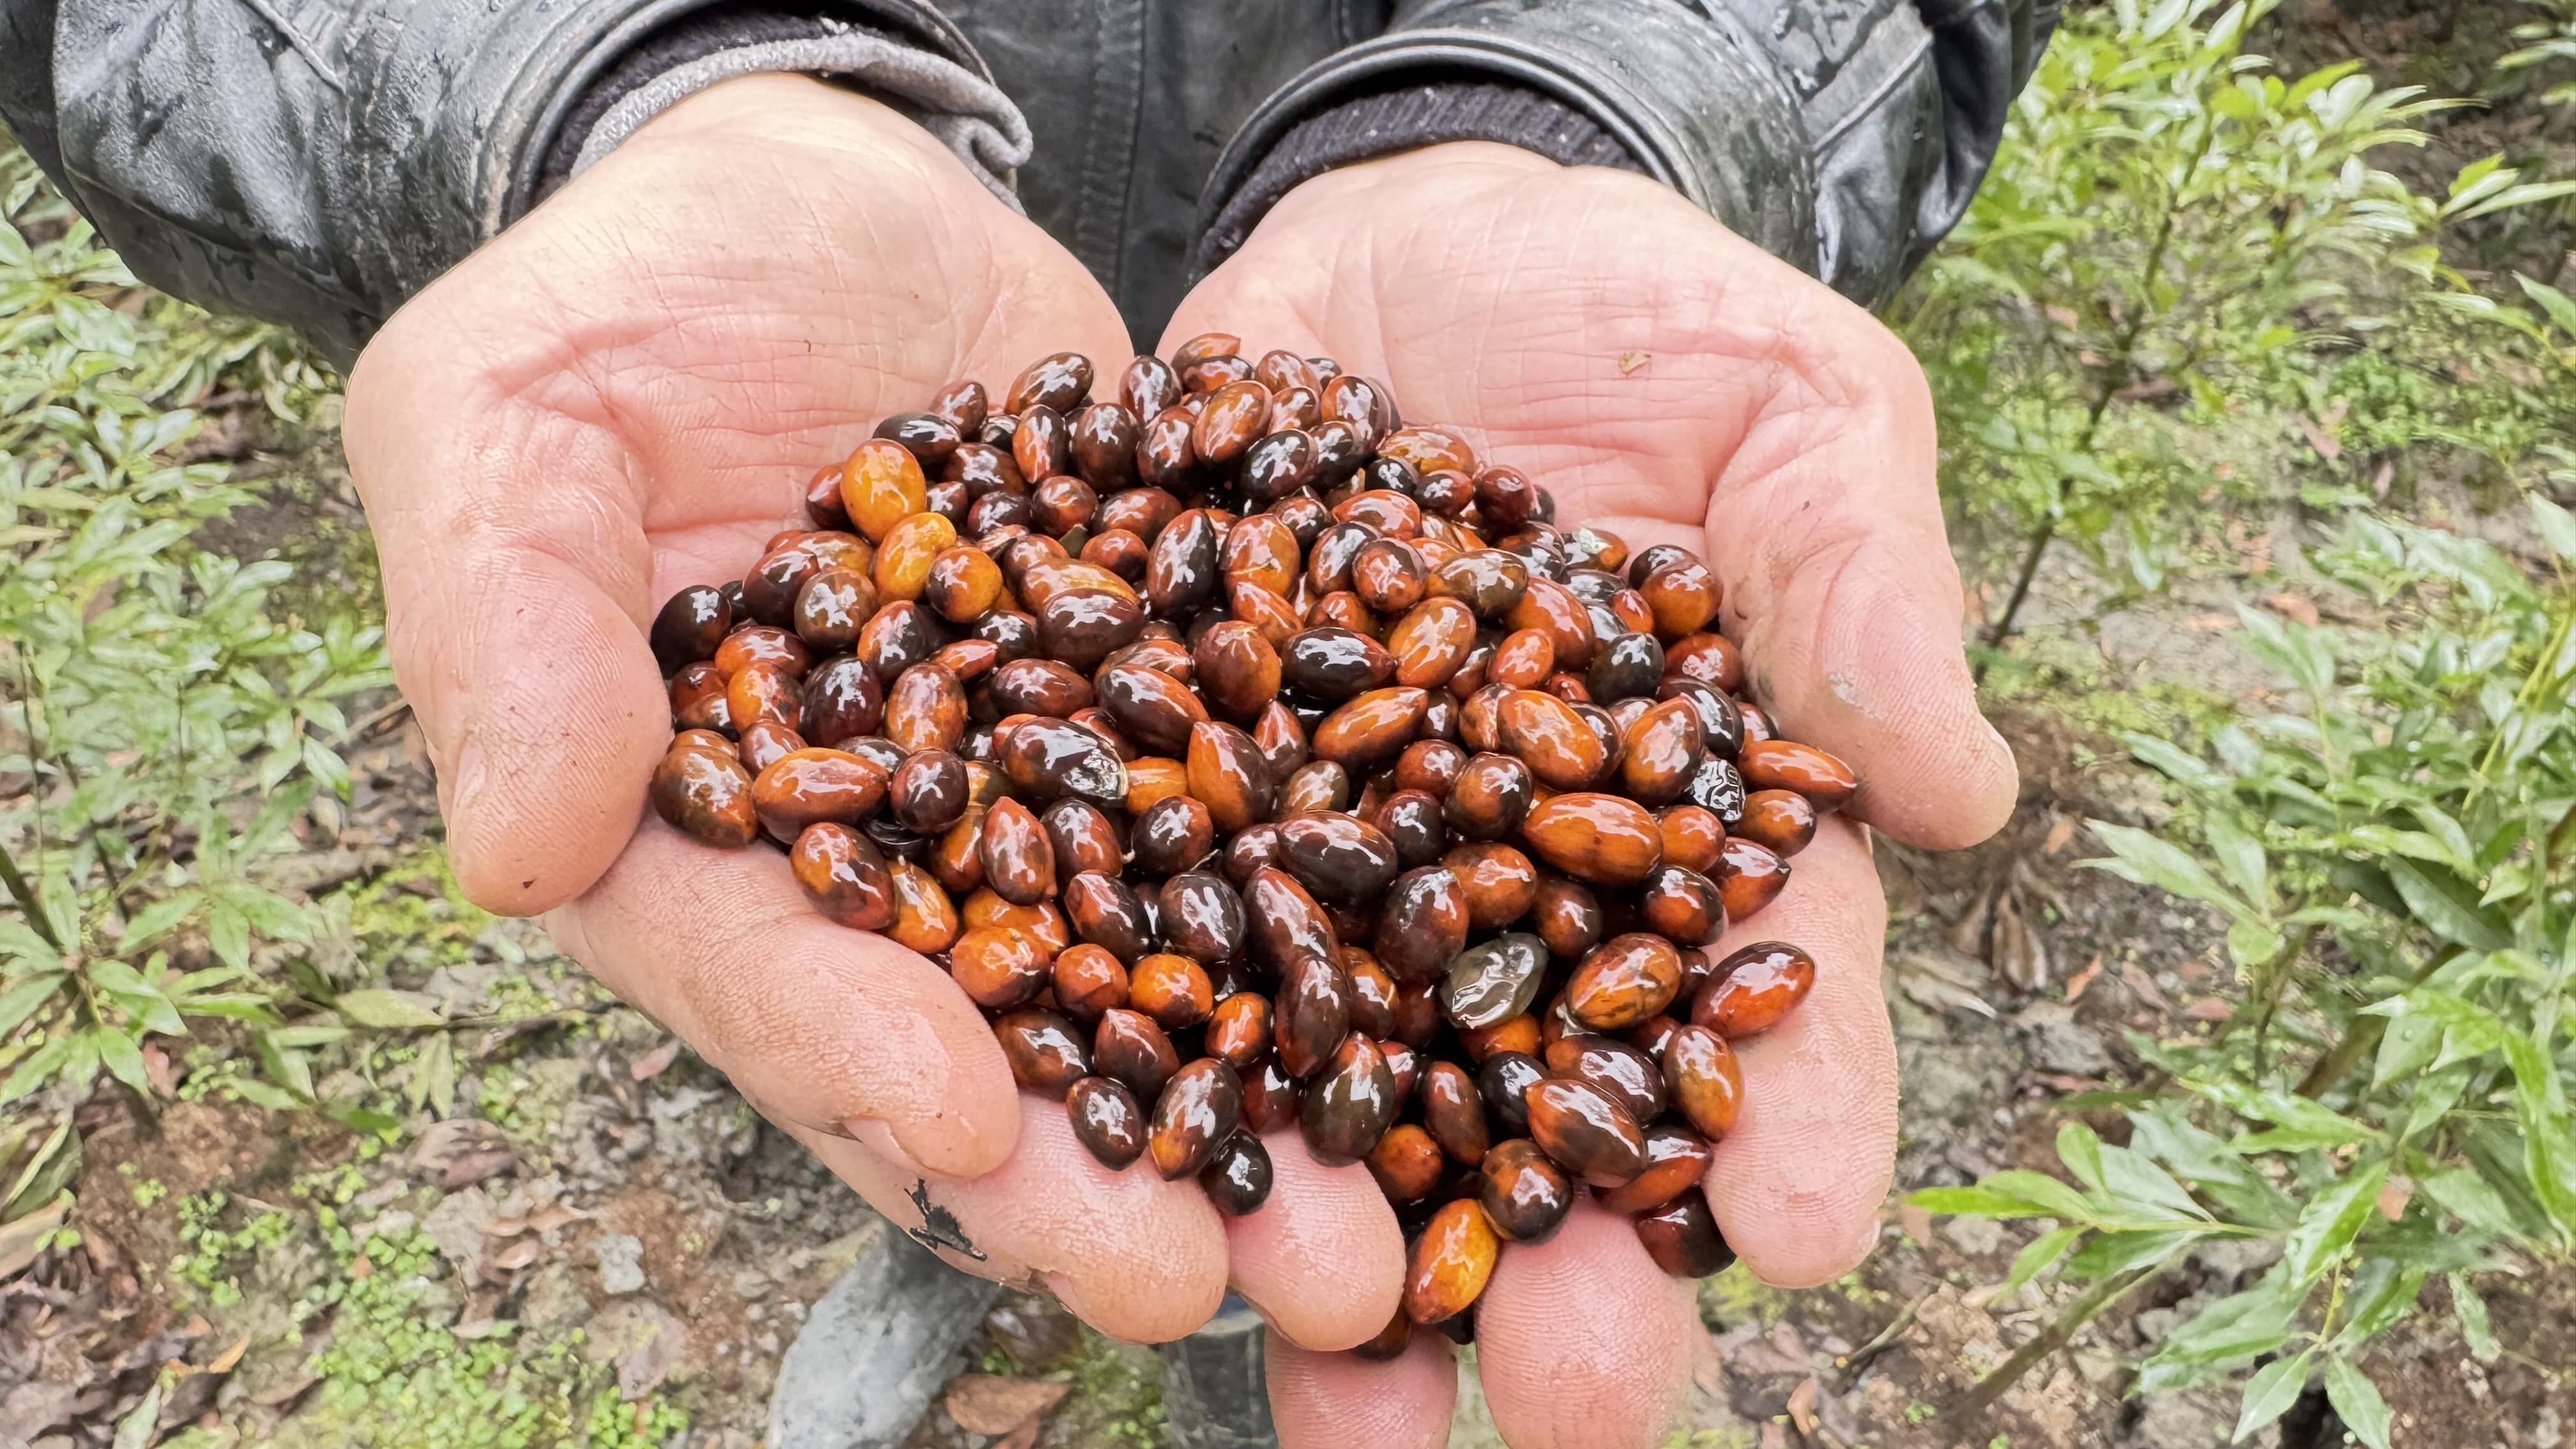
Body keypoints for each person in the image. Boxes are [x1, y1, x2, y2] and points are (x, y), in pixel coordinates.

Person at [1, 2, 2044, 1443]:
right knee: (923, 1038)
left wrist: (1596, 89)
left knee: (1213, 1108)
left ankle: (1218, 1338)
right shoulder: (954, 644)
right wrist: (635, 76)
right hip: (842, 263)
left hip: (1414, 241)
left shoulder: (1416, 669)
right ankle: (954, 1258)